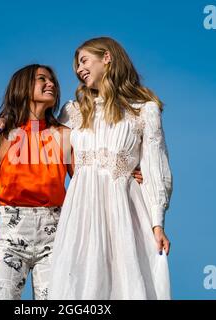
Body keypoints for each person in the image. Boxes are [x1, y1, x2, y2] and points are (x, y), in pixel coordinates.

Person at [48, 37, 173, 299]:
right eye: (76, 67)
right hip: (81, 208)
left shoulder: (144, 110)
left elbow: (155, 169)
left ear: (107, 57)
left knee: (126, 280)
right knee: (80, 284)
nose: (79, 70)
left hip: (124, 207)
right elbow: (39, 137)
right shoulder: (73, 111)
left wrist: (157, 224)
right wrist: (2, 122)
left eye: (84, 61)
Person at [0, 64, 72, 300]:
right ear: (23, 87)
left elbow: (83, 181)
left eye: (52, 80)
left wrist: (126, 173)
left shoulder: (65, 135)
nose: (50, 83)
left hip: (55, 230)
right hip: (10, 229)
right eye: (42, 79)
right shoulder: (0, 136)